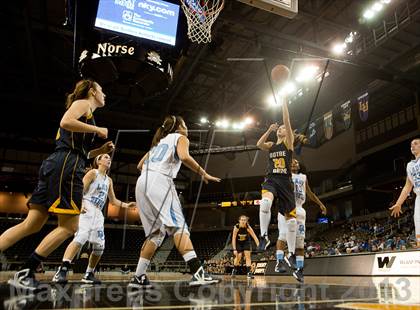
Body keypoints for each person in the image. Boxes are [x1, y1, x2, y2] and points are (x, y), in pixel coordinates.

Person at [0, 79, 114, 291]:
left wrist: (99, 151)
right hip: (67, 166)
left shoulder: (85, 111)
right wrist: (97, 131)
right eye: (102, 90)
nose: (104, 94)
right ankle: (26, 272)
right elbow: (65, 121)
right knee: (70, 226)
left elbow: (80, 150)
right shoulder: (84, 104)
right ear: (92, 91)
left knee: (32, 224)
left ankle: (25, 272)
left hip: (57, 162)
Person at [130, 115, 221, 288]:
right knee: (178, 226)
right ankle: (198, 273)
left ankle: (138, 276)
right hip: (160, 180)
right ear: (178, 127)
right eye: (185, 124)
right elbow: (184, 157)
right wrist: (204, 173)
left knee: (155, 234)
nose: (187, 127)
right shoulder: (180, 137)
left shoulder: (159, 143)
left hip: (142, 181)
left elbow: (140, 165)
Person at [52, 153, 136, 284]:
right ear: (99, 161)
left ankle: (89, 274)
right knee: (81, 237)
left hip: (98, 213)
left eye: (109, 158)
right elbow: (80, 189)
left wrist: (126, 205)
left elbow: (113, 200)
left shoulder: (109, 180)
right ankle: (62, 270)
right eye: (106, 157)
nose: (109, 159)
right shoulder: (93, 173)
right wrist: (79, 205)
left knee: (99, 246)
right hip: (87, 206)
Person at [256, 88, 298, 270]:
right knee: (265, 204)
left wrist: (284, 102)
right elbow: (258, 145)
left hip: (285, 182)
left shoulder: (289, 142)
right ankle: (264, 236)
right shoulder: (272, 145)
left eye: (282, 128)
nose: (281, 129)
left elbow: (287, 121)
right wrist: (268, 130)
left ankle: (292, 254)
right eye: (279, 128)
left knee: (292, 222)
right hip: (272, 179)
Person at [275, 158, 326, 282]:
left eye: (296, 162)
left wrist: (320, 204)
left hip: (300, 209)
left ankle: (299, 270)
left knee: (300, 243)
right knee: (282, 235)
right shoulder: (283, 175)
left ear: (299, 166)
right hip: (287, 207)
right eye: (291, 161)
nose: (294, 163)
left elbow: (309, 192)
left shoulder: (303, 177)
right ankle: (280, 261)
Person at [390, 138, 420, 248]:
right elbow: (407, 186)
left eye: (416, 144)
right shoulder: (410, 165)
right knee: (418, 221)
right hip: (419, 197)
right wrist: (398, 203)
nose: (413, 146)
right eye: (411, 145)